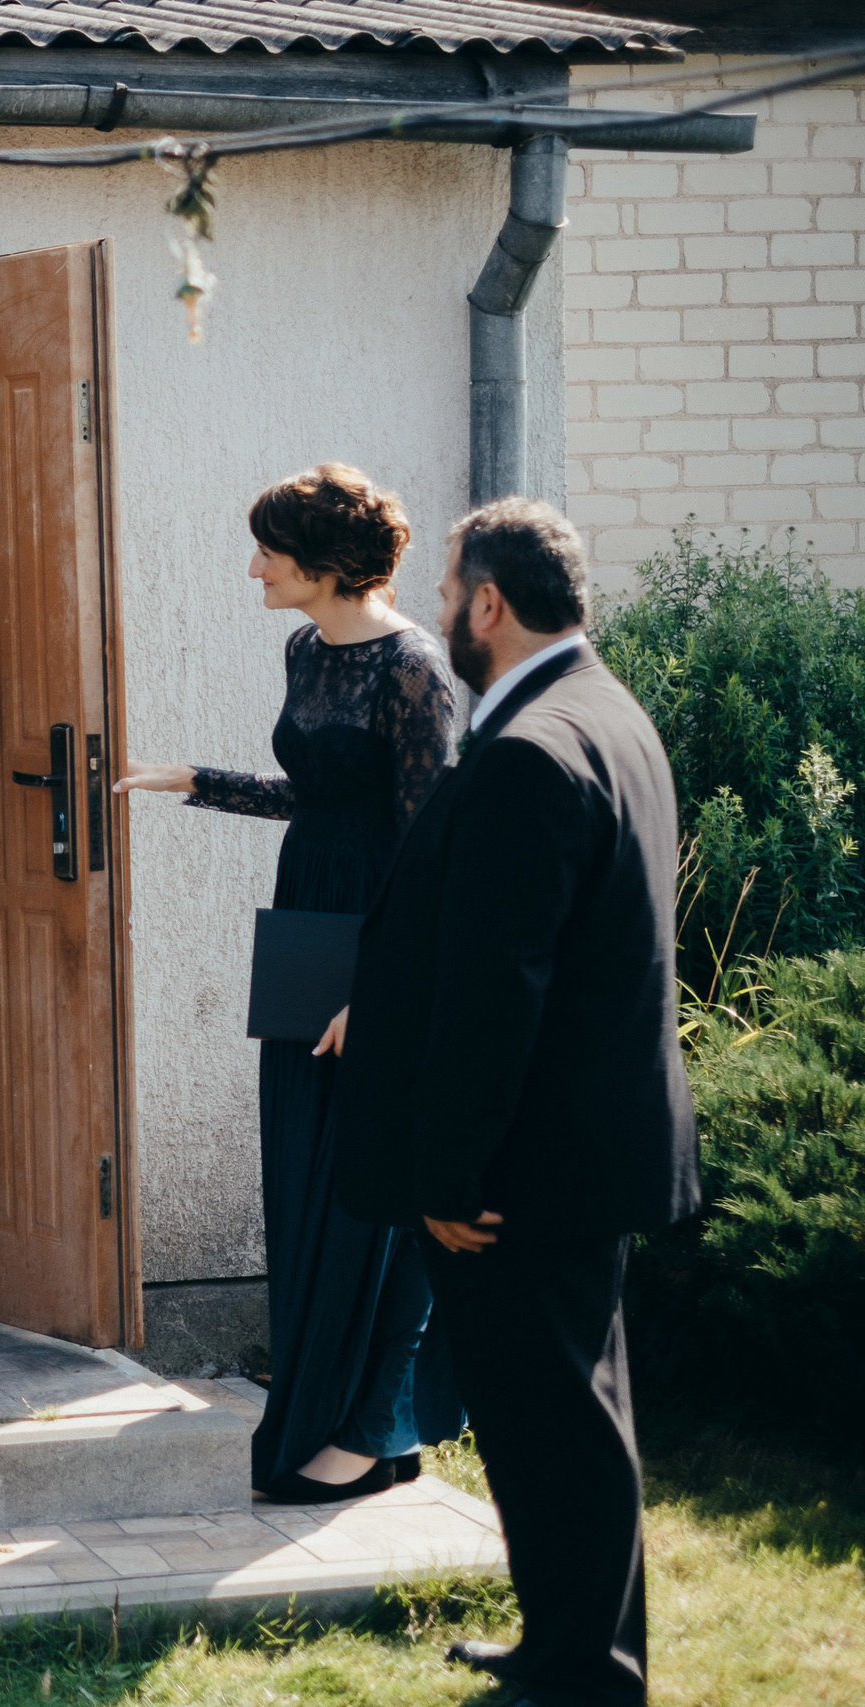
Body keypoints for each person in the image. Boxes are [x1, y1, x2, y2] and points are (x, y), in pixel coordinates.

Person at [329, 498, 697, 1707]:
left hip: (524, 1175)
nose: (440, 609)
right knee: (568, 1421)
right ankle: (570, 1648)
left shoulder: (535, 749)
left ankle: (586, 1674)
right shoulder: (606, 713)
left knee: (554, 1432)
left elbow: (500, 994)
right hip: (577, 1153)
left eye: (446, 590)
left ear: (488, 602)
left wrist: (449, 1178)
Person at [114, 464, 460, 1502]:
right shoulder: (305, 646)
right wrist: (198, 783)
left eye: (268, 549)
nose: (253, 566)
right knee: (308, 1188)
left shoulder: (416, 672)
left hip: (379, 951)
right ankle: (344, 1427)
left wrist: (383, 997)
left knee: (376, 1199)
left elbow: (430, 858)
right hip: (306, 934)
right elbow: (318, 800)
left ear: (322, 563)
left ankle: (370, 1429)